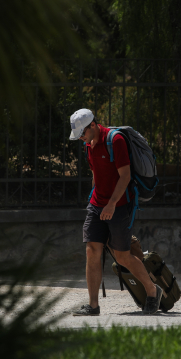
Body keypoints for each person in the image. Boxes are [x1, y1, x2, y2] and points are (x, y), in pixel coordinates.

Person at [68, 108, 163, 316]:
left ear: (92, 125)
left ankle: (152, 290)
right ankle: (93, 306)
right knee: (92, 250)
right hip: (97, 204)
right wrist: (95, 202)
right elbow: (96, 173)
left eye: (82, 133)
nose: (81, 138)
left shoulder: (115, 140)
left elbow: (125, 176)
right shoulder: (88, 144)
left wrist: (111, 204)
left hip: (119, 204)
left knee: (122, 257)